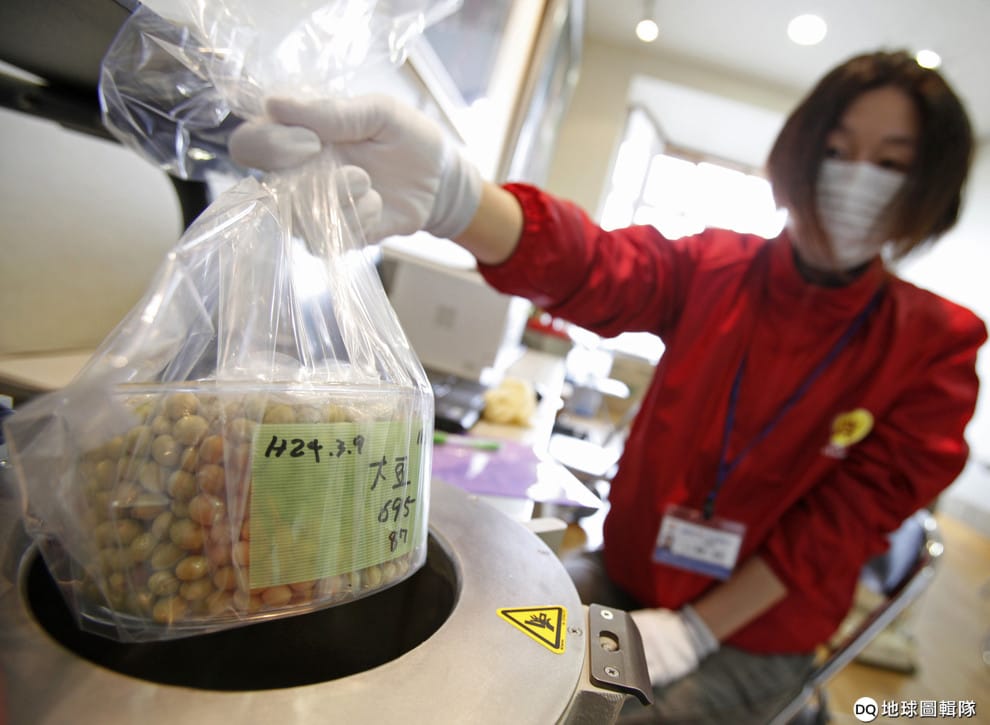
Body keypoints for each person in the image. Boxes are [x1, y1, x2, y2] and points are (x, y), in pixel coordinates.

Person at [230, 50, 986, 723]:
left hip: (750, 634)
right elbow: (597, 267)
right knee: (471, 646)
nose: (855, 179)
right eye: (836, 149)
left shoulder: (935, 346)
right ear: (800, 152)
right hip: (624, 576)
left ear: (929, 187)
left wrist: (694, 632)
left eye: (891, 162)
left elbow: (836, 532)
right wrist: (460, 201)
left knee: (579, 713)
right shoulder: (716, 269)